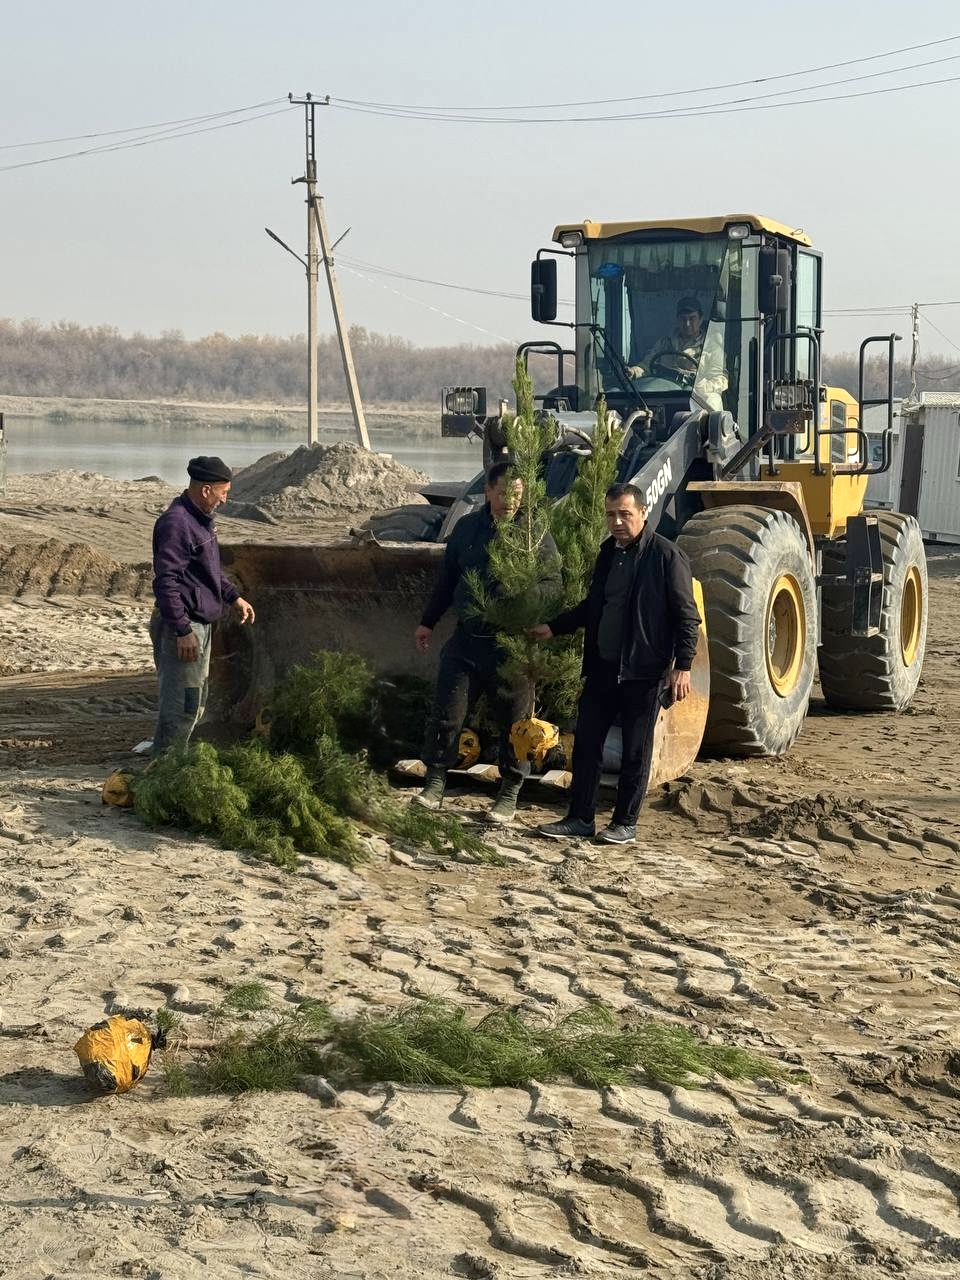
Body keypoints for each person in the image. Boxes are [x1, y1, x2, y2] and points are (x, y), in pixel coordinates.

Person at [530, 482, 700, 844]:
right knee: (588, 743)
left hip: (643, 671)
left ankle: (625, 823)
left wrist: (682, 666)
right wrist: (555, 627)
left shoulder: (666, 556)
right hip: (604, 668)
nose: (617, 521)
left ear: (642, 513)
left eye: (625, 513)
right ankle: (580, 819)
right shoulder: (608, 553)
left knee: (635, 752)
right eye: (611, 514)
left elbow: (688, 616)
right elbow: (594, 606)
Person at [414, 460, 560, 824]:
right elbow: (448, 581)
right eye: (504, 490)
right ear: (488, 492)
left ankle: (509, 792)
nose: (512, 498)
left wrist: (529, 602)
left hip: (509, 645)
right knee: (448, 713)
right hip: (467, 640)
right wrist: (427, 623)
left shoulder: (534, 535)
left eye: (518, 491)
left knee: (514, 724)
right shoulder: (467, 529)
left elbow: (554, 584)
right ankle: (435, 784)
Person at [150, 455, 255, 754]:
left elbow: (207, 570)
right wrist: (182, 630)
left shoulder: (200, 521)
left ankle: (173, 767)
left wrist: (233, 597)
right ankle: (165, 774)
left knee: (194, 701)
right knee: (181, 705)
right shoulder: (177, 524)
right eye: (224, 493)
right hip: (184, 627)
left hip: (198, 624)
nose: (225, 500)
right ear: (206, 490)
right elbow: (166, 581)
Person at [627, 295, 728, 411]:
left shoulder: (711, 346)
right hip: (663, 394)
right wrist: (633, 371)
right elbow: (646, 366)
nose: (687, 324)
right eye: (683, 319)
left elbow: (721, 379)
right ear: (677, 320)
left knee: (713, 400)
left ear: (700, 319)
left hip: (693, 397)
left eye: (692, 318)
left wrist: (700, 387)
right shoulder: (665, 342)